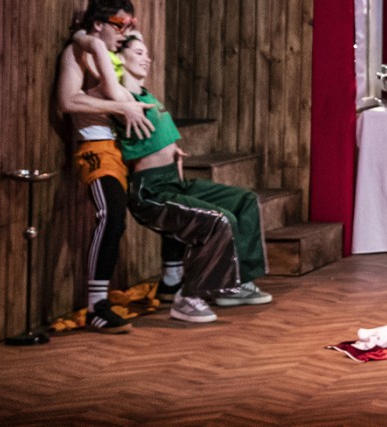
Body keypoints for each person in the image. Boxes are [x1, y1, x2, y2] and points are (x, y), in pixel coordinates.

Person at [115, 34, 273, 322]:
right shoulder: (123, 96)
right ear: (118, 59)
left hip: (175, 182)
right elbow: (105, 74)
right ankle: (188, 298)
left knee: (245, 201)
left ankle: (234, 284)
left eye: (147, 53)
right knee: (219, 220)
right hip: (152, 191)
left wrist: (172, 149)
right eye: (138, 52)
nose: (147, 58)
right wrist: (107, 45)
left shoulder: (147, 95)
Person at [54, 0, 156, 333]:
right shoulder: (78, 53)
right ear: (99, 24)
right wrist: (121, 107)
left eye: (130, 25)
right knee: (110, 215)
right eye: (119, 25)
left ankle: (173, 280)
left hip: (121, 148)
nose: (125, 33)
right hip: (96, 148)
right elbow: (68, 101)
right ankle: (97, 307)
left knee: (149, 205)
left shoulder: (108, 54)